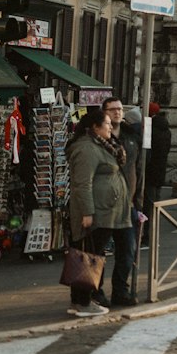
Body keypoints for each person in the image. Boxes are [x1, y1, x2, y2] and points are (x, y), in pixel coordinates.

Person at [66, 106, 131, 318]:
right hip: (97, 211)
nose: (111, 128)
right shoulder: (86, 149)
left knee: (91, 255)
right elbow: (82, 184)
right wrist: (87, 212)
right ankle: (84, 302)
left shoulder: (101, 145)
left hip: (108, 210)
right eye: (107, 124)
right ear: (95, 127)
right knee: (89, 256)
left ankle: (81, 300)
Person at [101, 96, 141, 306]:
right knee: (98, 252)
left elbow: (136, 168)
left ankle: (120, 291)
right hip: (105, 204)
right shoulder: (99, 138)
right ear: (104, 112)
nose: (117, 112)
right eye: (112, 109)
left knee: (127, 250)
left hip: (127, 203)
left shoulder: (130, 136)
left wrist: (136, 200)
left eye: (119, 109)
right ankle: (96, 292)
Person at [142, 102, 173, 245]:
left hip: (149, 172)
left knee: (148, 205)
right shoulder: (166, 131)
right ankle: (154, 235)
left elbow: (146, 152)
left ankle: (147, 236)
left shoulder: (149, 129)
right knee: (156, 205)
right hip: (161, 171)